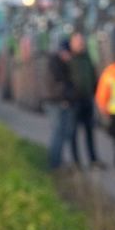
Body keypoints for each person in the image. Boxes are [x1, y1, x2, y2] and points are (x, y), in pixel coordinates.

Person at [68, 32, 105, 169]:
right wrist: (69, 95)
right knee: (73, 133)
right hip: (74, 101)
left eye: (81, 42)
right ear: (72, 44)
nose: (80, 44)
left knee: (89, 132)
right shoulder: (69, 60)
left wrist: (95, 91)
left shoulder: (87, 58)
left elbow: (93, 76)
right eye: (77, 42)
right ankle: (76, 161)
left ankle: (93, 159)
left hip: (87, 99)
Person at [45, 38, 76, 169]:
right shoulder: (55, 65)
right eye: (68, 54)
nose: (69, 57)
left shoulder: (59, 63)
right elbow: (57, 85)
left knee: (63, 133)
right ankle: (55, 163)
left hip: (59, 101)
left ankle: (58, 161)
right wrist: (64, 98)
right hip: (56, 103)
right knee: (58, 133)